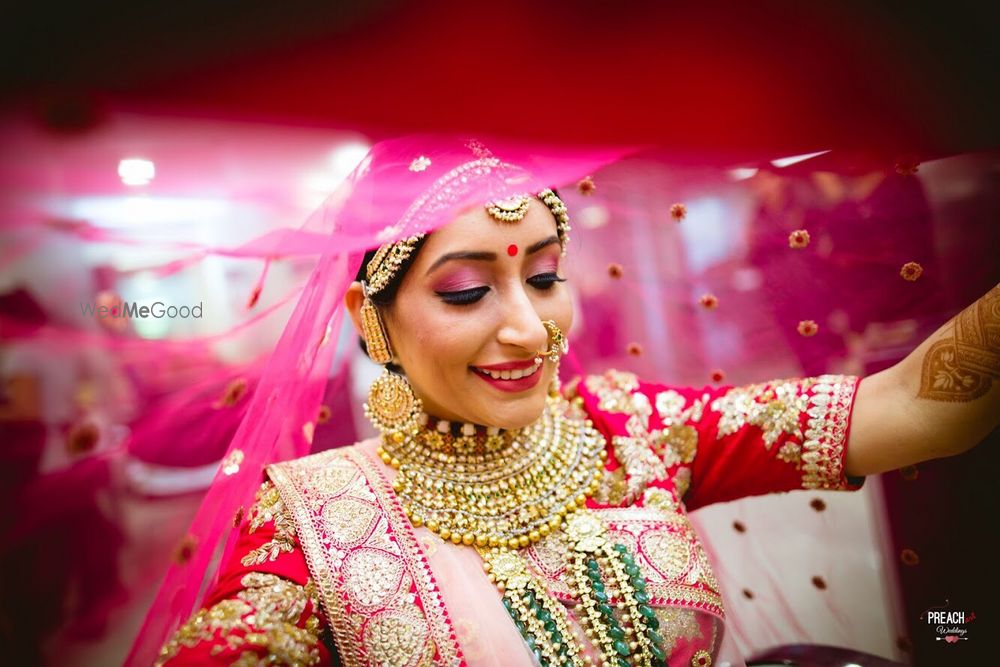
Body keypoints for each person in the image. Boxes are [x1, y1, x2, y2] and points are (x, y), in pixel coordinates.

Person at [140, 139, 1000, 667]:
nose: (530, 328)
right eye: (469, 291)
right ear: (375, 319)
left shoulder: (630, 429)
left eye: (546, 277)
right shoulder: (311, 520)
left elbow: (916, 402)